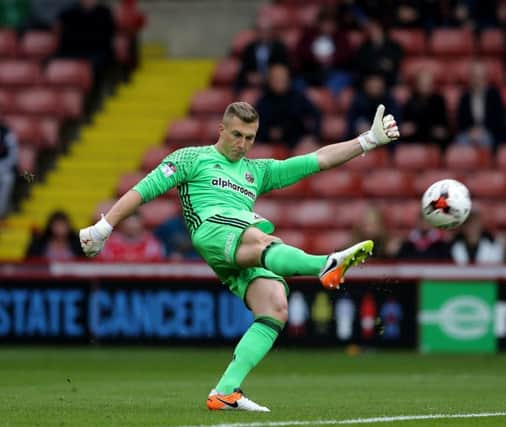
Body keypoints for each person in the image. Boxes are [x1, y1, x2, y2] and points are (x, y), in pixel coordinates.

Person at [78, 101, 399, 411]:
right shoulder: (192, 158)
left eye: (250, 138)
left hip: (233, 249)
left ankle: (226, 391)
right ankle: (323, 265)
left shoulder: (256, 171)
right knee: (259, 234)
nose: (242, 144)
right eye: (236, 135)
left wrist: (367, 140)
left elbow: (318, 159)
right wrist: (104, 228)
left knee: (276, 305)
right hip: (211, 230)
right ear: (221, 129)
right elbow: (143, 190)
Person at [255, 64, 321, 148]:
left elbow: (316, 116)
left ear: (288, 78)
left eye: (282, 77)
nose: (279, 80)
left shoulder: (298, 98)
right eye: (275, 78)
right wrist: (268, 133)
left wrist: (312, 136)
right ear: (269, 80)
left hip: (297, 142)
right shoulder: (263, 101)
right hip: (270, 144)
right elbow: (257, 127)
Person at [294, 7, 352, 94]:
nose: (327, 27)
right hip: (311, 71)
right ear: (319, 23)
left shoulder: (341, 37)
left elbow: (347, 55)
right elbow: (300, 53)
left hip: (334, 71)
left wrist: (332, 58)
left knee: (342, 79)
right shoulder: (309, 35)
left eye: (330, 24)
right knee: (297, 83)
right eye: (325, 24)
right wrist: (314, 58)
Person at [455, 61, 506, 150]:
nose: (477, 80)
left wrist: (483, 131)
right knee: (460, 142)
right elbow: (460, 122)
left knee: (485, 142)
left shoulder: (494, 95)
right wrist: (470, 131)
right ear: (470, 79)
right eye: (475, 77)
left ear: (485, 78)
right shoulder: (464, 97)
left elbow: (500, 121)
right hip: (469, 134)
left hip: (490, 133)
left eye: (480, 77)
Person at [56, 0, 116, 77]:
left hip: (97, 54)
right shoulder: (68, 13)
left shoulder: (105, 12)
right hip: (71, 53)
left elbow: (109, 39)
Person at [401, 68, 450, 149]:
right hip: (416, 136)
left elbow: (443, 125)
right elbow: (408, 125)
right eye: (422, 84)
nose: (425, 87)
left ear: (432, 85)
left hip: (433, 137)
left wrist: (442, 130)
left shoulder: (439, 100)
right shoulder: (411, 100)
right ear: (417, 85)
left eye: (427, 84)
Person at [235, 20, 289, 90]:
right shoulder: (250, 48)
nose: (263, 34)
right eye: (260, 30)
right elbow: (244, 68)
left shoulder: (279, 47)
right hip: (252, 82)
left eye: (266, 30)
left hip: (273, 82)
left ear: (271, 32)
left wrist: (268, 77)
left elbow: (282, 67)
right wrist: (249, 76)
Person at [352, 18, 403, 88]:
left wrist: (376, 63)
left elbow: (394, 66)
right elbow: (361, 66)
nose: (373, 32)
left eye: (376, 29)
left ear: (382, 29)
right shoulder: (363, 47)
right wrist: (380, 64)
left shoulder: (394, 46)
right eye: (371, 29)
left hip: (388, 82)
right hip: (368, 81)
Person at [347, 73, 398, 139]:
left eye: (377, 82)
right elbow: (351, 122)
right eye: (372, 82)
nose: (374, 85)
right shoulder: (358, 101)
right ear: (365, 84)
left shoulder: (390, 101)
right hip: (361, 140)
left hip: (385, 141)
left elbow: (395, 123)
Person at [98, 212, 164, 262]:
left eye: (134, 222)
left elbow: (156, 265)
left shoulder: (151, 244)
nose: (131, 226)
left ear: (142, 223)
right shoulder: (108, 243)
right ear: (121, 224)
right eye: (128, 222)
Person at [0, 122, 18, 218]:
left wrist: (3, 167)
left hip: (8, 169)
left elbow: (14, 155)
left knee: (29, 176)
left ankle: (1, 212)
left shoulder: (7, 132)